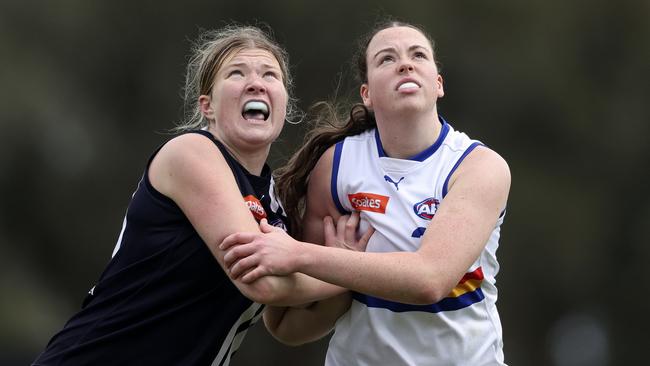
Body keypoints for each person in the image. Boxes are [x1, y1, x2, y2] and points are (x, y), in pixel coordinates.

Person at [32, 25, 361, 366]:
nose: (256, 83)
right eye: (236, 73)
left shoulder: (274, 205)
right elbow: (260, 282)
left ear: (285, 104)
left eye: (270, 75)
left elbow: (289, 327)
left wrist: (348, 278)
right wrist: (348, 268)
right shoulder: (191, 153)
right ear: (207, 105)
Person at [220, 20, 511, 365]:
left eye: (418, 55)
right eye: (386, 59)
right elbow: (287, 326)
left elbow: (429, 279)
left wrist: (301, 255)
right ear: (367, 94)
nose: (405, 63)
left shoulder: (478, 166)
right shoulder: (337, 166)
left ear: (438, 84)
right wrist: (341, 275)